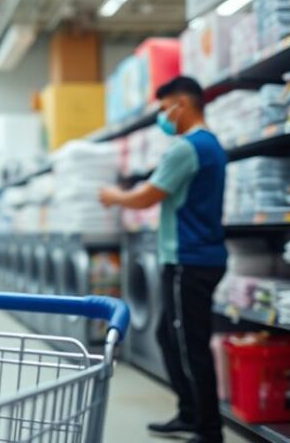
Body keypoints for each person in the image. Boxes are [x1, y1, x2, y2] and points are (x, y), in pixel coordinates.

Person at [99, 76, 227, 443]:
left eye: (164, 108)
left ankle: (208, 429)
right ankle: (190, 414)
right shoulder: (212, 145)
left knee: (190, 345)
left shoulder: (188, 148)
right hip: (198, 256)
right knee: (171, 338)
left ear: (181, 105)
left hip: (188, 258)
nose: (163, 116)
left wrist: (113, 196)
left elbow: (147, 196)